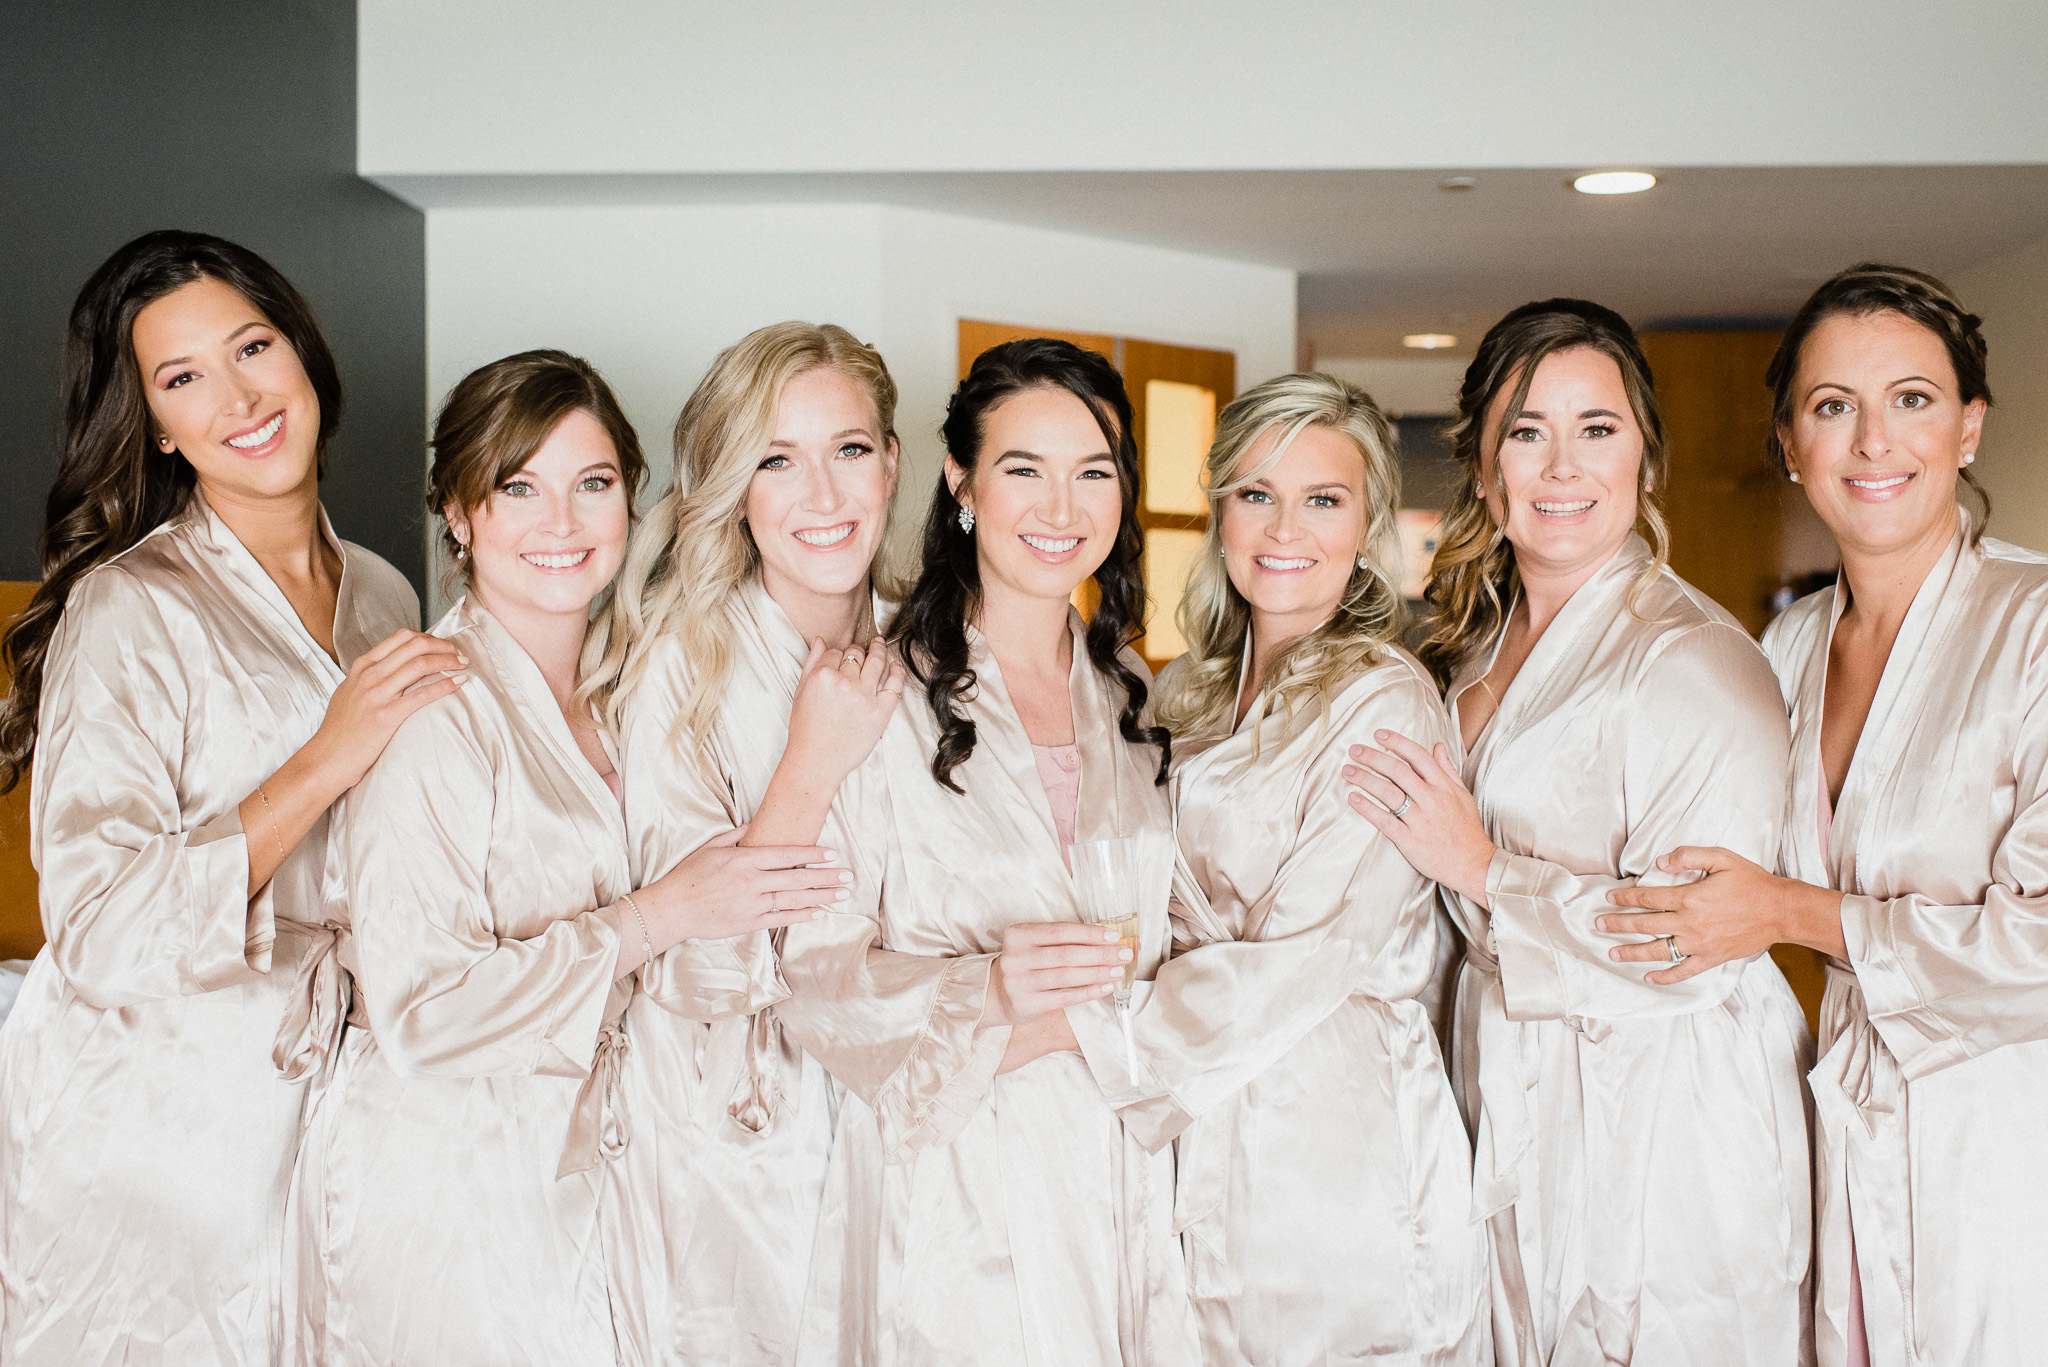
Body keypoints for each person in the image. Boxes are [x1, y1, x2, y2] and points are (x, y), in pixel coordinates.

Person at [285, 351, 843, 1366]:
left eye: (592, 483)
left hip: (596, 1168)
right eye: (518, 488)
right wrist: (658, 915)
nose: (562, 521)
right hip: (448, 1180)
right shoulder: (434, 708)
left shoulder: (625, 686)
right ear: (459, 513)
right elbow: (422, 1011)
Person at [0, 230, 448, 1365]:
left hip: (340, 1109)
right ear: (155, 424)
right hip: (155, 1127)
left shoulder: (386, 593)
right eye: (183, 376)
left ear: (302, 351)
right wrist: (323, 757)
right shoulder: (128, 607)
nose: (240, 397)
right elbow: (95, 926)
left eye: (252, 347)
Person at [1345, 299, 1813, 1365]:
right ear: (1481, 467)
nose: (1562, 466)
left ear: (1644, 458)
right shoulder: (1471, 642)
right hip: (1508, 1083)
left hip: (1662, 1118)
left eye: (1597, 428)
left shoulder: (1694, 661)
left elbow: (1690, 947)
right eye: (1527, 431)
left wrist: (1482, 868)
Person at [1602, 263, 2048, 1367]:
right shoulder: (1786, 648)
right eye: (1833, 406)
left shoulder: (2033, 628)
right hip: (1840, 1132)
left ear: (1968, 427)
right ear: (1791, 445)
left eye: (1911, 399)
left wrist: (1791, 912)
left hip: (2006, 1143)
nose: (1872, 440)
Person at [777, 338, 1199, 1364]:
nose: (1061, 508)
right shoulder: (875, 691)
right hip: (956, 1191)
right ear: (961, 482)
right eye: (1024, 469)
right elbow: (813, 971)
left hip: (1119, 1167)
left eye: (1092, 472)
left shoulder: (1133, 697)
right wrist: (989, 990)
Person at [1076, 372, 1489, 1364]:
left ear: (1367, 525)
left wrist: (1088, 1034)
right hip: (1190, 1136)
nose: (1283, 528)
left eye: (1322, 498)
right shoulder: (1179, 691)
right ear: (1219, 510)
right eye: (1256, 492)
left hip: (1334, 1144)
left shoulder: (1386, 702)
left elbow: (1314, 954)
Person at [581, 322, 904, 1366]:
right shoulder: (682, 662)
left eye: (848, 449)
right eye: (777, 460)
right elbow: (695, 964)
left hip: (910, 1111)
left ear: (891, 462)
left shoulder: (933, 644)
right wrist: (812, 759)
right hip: (738, 1130)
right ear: (734, 488)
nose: (823, 494)